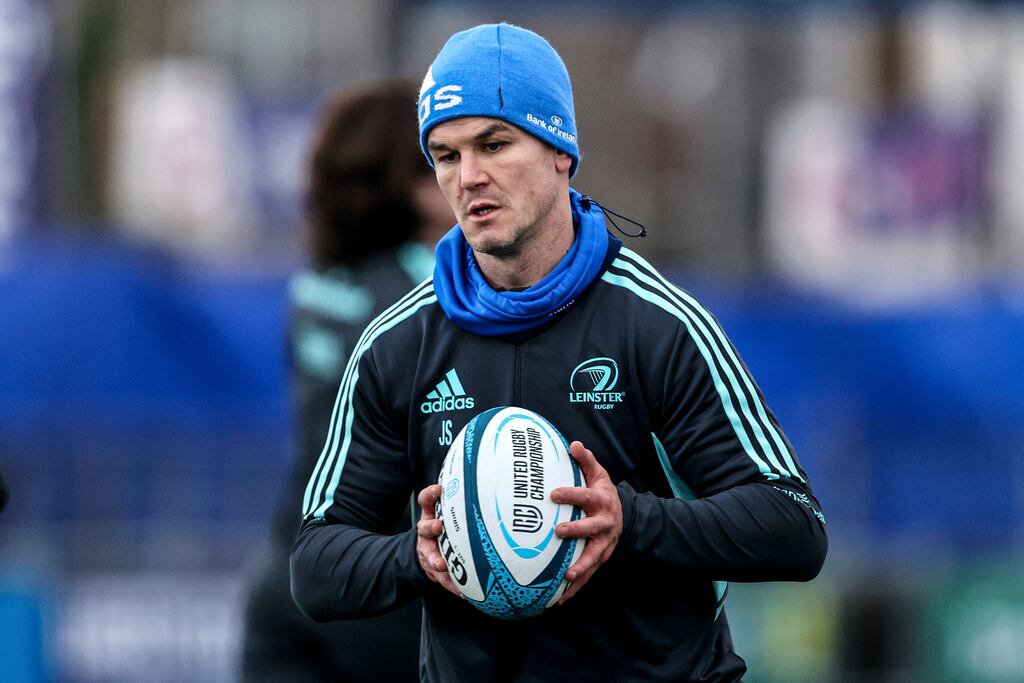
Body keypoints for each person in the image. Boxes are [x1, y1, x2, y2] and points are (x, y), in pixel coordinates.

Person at [291, 23, 827, 682]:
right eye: (446, 154)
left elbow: (793, 525)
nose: (469, 176)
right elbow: (315, 562)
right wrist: (420, 557)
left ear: (560, 151)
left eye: (494, 143)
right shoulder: (399, 343)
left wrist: (629, 520)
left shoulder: (656, 325)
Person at [240, 79, 452, 682]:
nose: (463, 177)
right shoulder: (437, 291)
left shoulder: (312, 284)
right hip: (382, 590)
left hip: (285, 573)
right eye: (442, 159)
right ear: (409, 184)